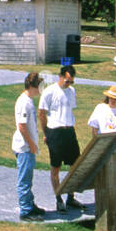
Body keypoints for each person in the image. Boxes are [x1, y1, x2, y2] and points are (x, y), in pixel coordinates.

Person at [38, 65, 82, 212]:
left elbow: (70, 110)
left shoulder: (71, 91)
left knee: (75, 166)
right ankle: (58, 199)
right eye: (67, 81)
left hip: (69, 132)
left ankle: (70, 197)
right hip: (55, 133)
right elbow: (42, 114)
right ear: (60, 77)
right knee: (55, 168)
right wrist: (46, 133)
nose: (69, 84)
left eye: (71, 82)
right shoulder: (49, 92)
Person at [12, 72, 46, 221]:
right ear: (32, 86)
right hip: (25, 147)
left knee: (28, 178)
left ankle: (30, 204)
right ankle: (25, 211)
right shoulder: (24, 102)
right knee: (24, 180)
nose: (40, 90)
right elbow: (22, 126)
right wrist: (32, 145)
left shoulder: (29, 100)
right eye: (39, 87)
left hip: (28, 147)